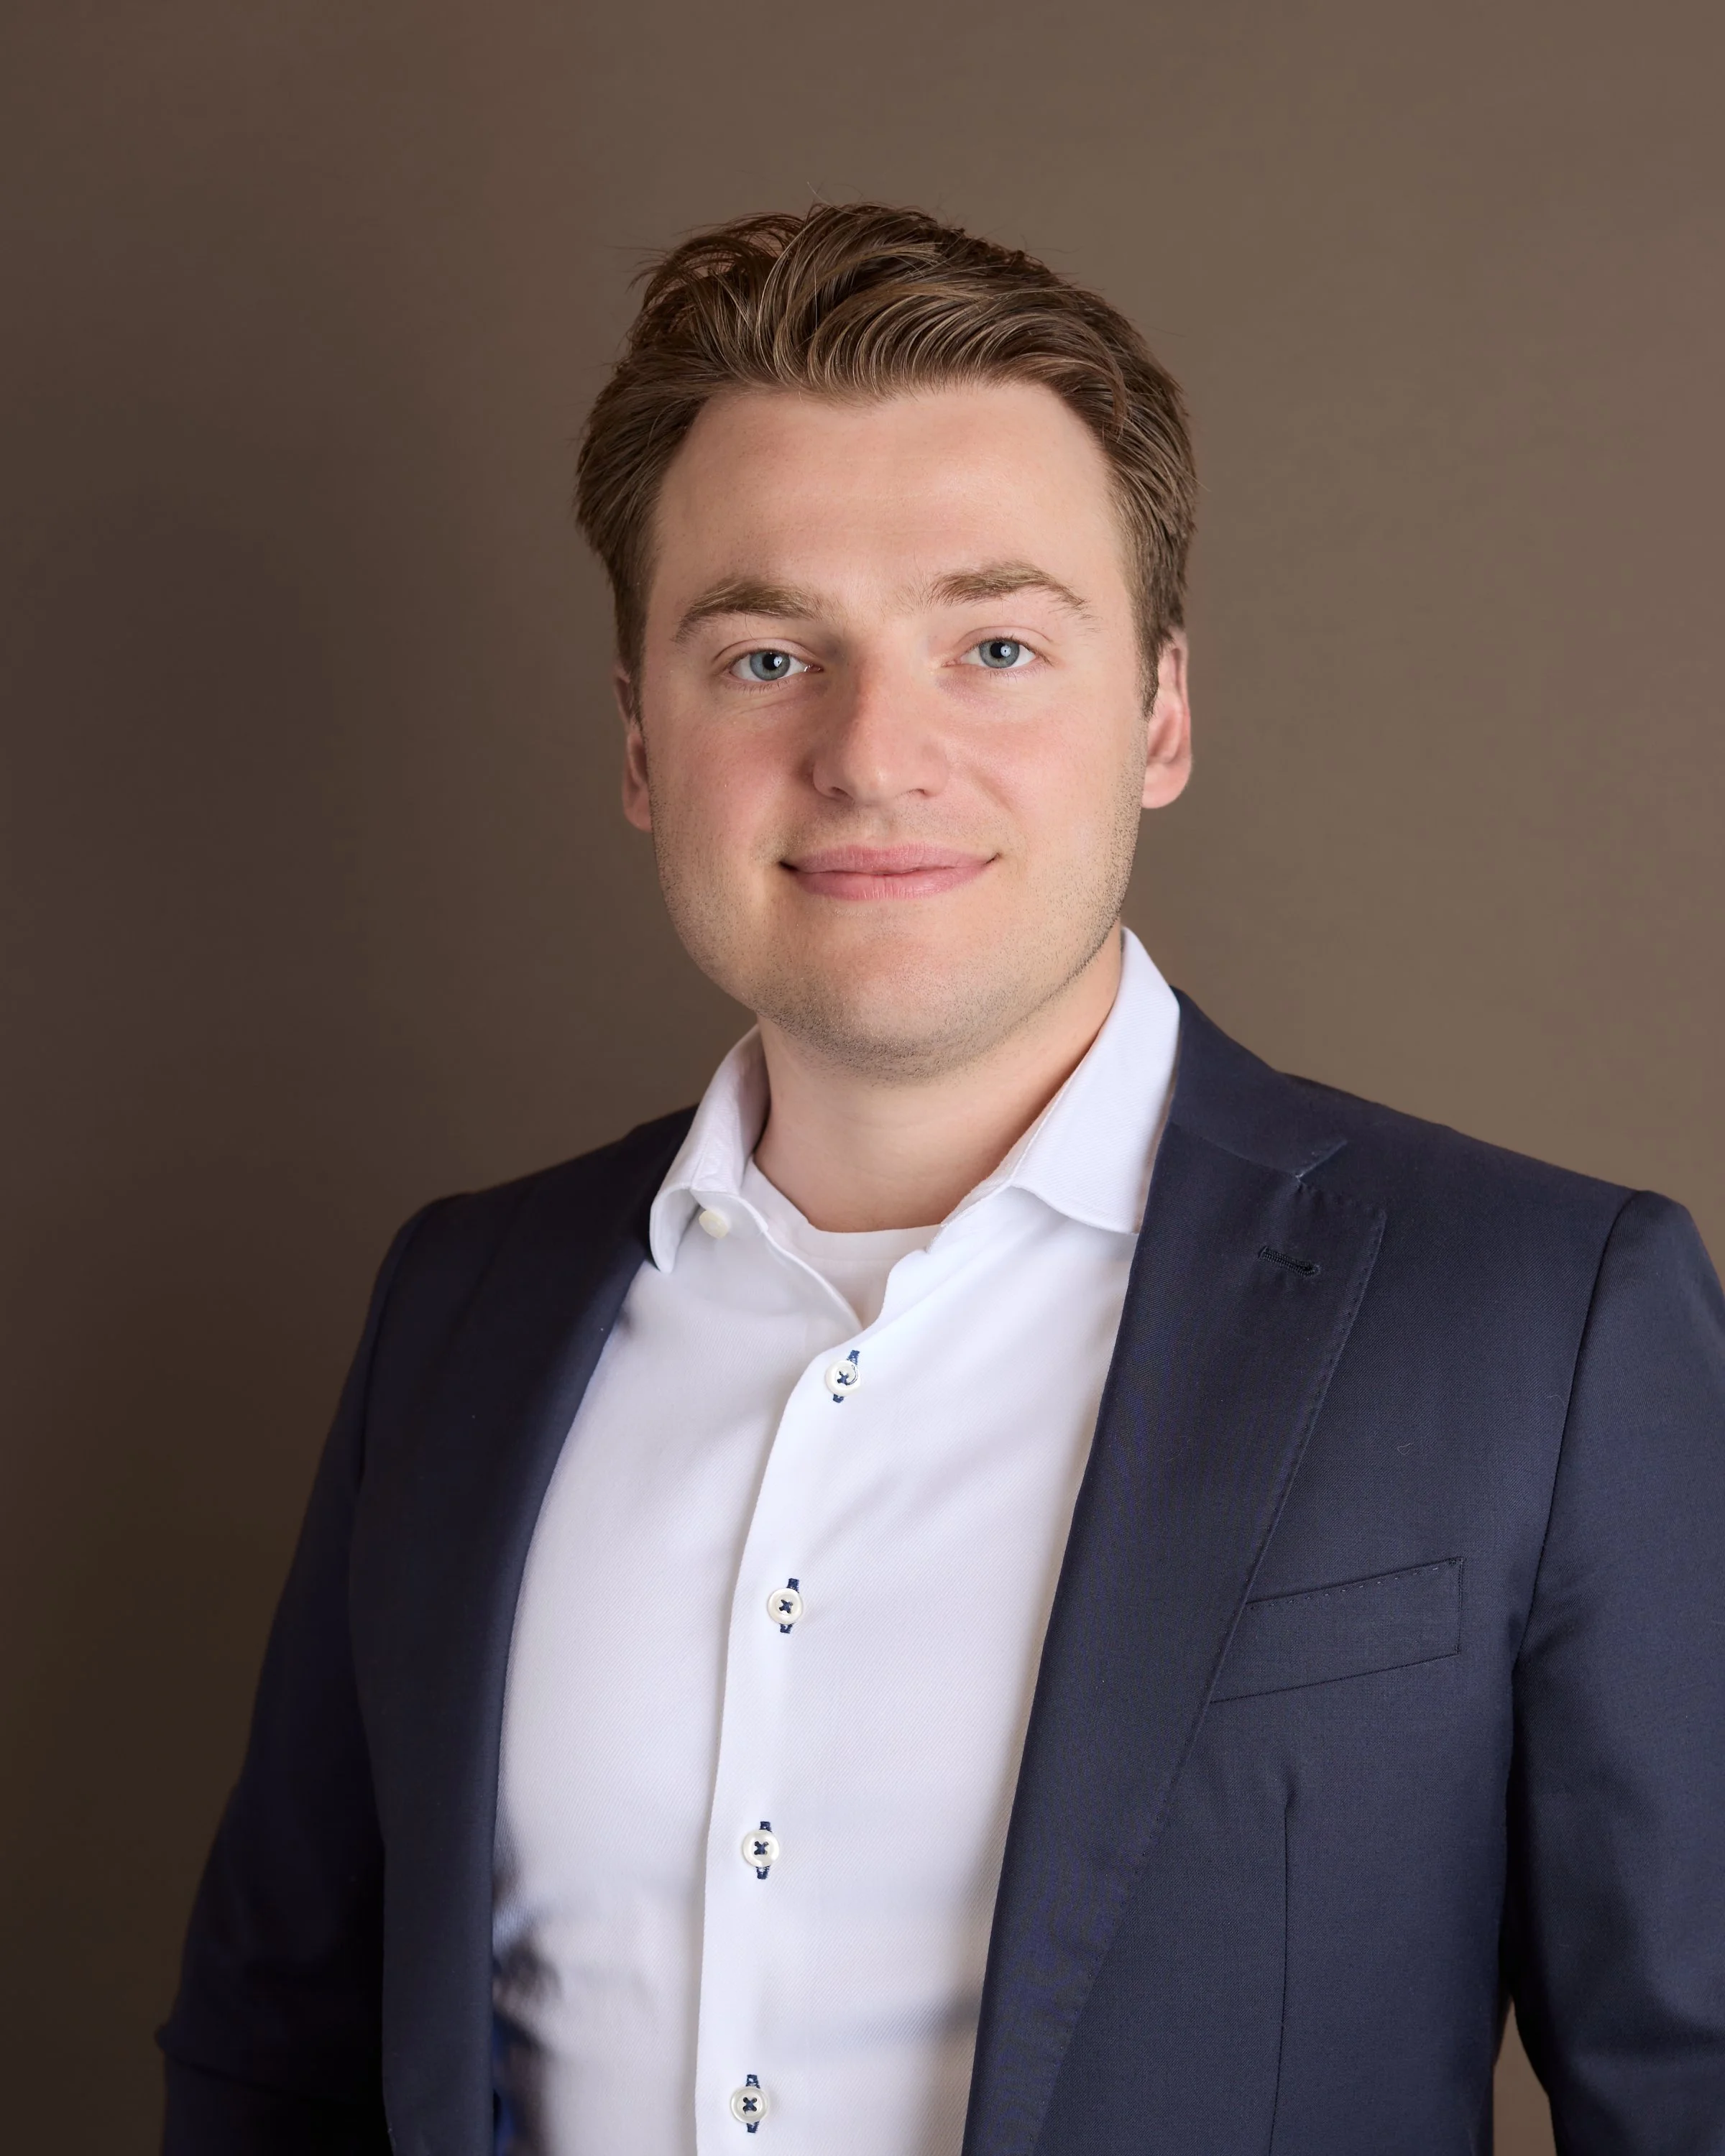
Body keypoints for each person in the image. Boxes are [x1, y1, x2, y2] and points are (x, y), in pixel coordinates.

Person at [159, 203, 1725, 2156]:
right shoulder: (463, 1309)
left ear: (1160, 712)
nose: (874, 755)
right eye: (764, 656)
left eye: (994, 646)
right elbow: (279, 2049)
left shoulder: (1541, 1324)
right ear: (639, 741)